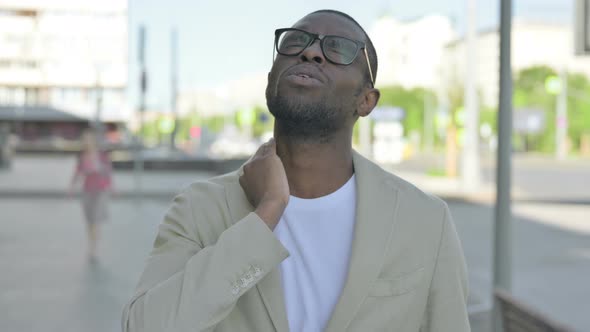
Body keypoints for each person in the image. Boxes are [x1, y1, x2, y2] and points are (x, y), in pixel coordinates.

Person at [122, 9, 470, 332]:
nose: (310, 53)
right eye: (294, 43)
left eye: (337, 48)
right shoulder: (200, 208)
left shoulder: (424, 220)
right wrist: (265, 214)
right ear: (270, 81)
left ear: (367, 101)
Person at [69, 128, 113, 261]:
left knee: (95, 220)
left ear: (94, 140)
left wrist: (111, 186)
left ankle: (94, 248)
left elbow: (108, 172)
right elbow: (77, 172)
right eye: (84, 139)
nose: (87, 141)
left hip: (100, 192)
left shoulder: (102, 156)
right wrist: (72, 186)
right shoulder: (82, 156)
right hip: (87, 191)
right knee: (89, 222)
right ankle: (91, 244)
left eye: (89, 138)